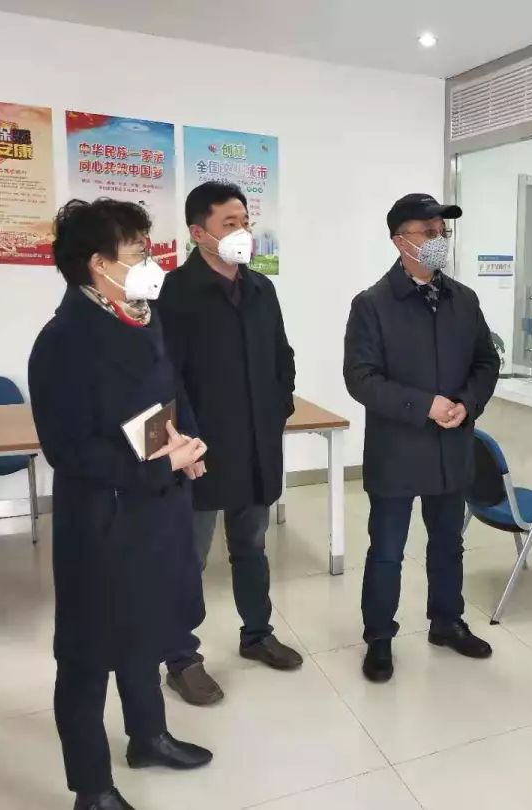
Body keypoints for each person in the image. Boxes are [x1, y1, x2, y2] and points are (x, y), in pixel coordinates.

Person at [29, 199, 213, 810]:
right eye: (137, 250)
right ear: (97, 264)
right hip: (102, 521)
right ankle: (92, 787)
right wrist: (161, 465)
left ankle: (148, 737)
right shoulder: (62, 342)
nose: (151, 261)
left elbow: (171, 394)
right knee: (87, 656)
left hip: (158, 507)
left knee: (146, 628)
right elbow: (69, 450)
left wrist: (188, 444)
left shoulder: (142, 316)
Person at [344, 193, 500, 683]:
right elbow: (361, 378)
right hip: (396, 451)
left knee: (448, 544)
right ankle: (379, 637)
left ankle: (447, 622)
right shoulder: (372, 304)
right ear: (400, 241)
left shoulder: (463, 300)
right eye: (428, 232)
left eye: (442, 232)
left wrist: (466, 403)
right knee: (387, 550)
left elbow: (486, 361)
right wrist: (424, 405)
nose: (438, 241)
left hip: (451, 448)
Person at [158, 181, 301, 706]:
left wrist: (279, 406)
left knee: (252, 546)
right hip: (200, 451)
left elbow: (282, 355)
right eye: (229, 224)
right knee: (188, 558)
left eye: (245, 222)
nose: (243, 233)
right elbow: (166, 376)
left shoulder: (261, 289)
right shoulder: (174, 293)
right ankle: (180, 659)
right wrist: (185, 440)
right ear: (199, 233)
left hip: (257, 444)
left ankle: (257, 634)